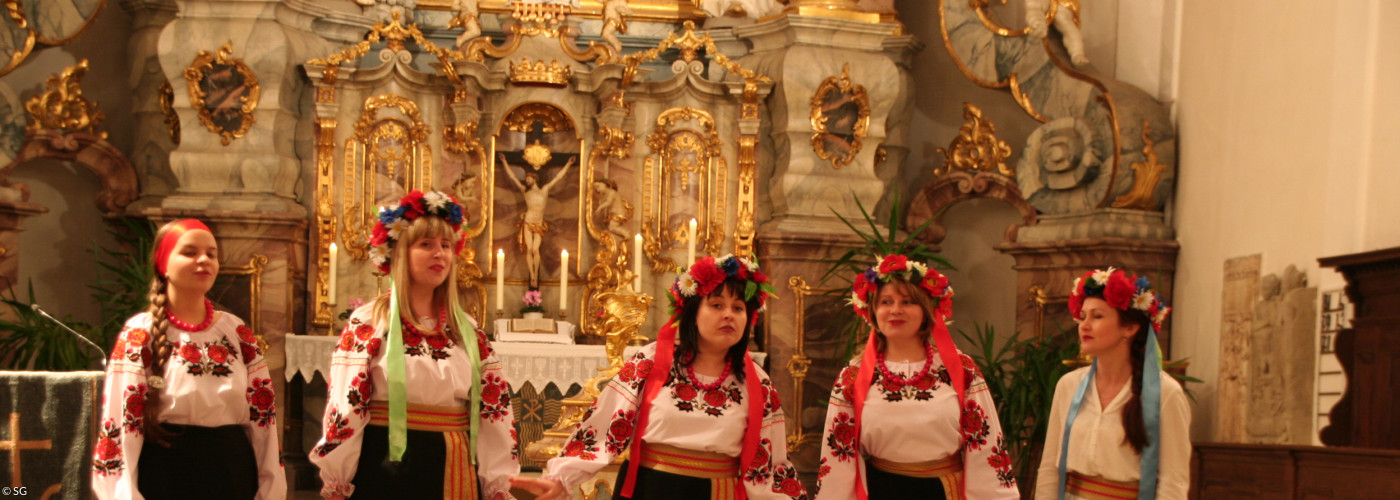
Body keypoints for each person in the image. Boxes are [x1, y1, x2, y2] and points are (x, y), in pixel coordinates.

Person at [511, 255, 809, 500]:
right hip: (650, 489)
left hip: (718, 493)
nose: (728, 315)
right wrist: (561, 478)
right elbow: (605, 429)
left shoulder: (757, 383)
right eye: (716, 305)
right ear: (692, 312)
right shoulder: (652, 362)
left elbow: (772, 463)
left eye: (738, 308)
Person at [310, 190, 520, 499]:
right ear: (398, 253)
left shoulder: (467, 331)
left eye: (446, 246)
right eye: (426, 244)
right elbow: (346, 406)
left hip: (454, 465)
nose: (440, 254)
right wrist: (337, 479)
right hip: (385, 464)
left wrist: (497, 483)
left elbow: (495, 410)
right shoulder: (370, 322)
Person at [92, 219, 286, 500]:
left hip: (231, 471)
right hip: (166, 473)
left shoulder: (235, 331)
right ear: (163, 265)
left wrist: (271, 486)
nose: (204, 260)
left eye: (211, 253)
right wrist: (122, 493)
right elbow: (121, 422)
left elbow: (263, 418)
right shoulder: (140, 333)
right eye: (190, 252)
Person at [816, 255, 1019, 500]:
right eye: (886, 302)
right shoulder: (853, 375)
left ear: (926, 310)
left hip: (944, 491)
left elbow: (985, 444)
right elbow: (839, 452)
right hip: (881, 490)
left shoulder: (960, 369)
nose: (895, 310)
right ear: (872, 311)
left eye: (908, 301)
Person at [1035, 268, 1189, 500]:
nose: (1084, 326)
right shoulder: (1069, 385)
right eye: (1082, 316)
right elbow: (1050, 467)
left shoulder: (1164, 393)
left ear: (1129, 328)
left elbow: (1173, 481)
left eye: (1097, 316)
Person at [499, 152, 574, 288]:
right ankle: (533, 275)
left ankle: (535, 275)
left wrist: (568, 164)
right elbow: (513, 177)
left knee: (535, 250)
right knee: (529, 249)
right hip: (528, 221)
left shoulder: (544, 190)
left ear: (534, 179)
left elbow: (557, 178)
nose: (526, 180)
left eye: (528, 178)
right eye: (526, 179)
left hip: (539, 222)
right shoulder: (525, 191)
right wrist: (504, 162)